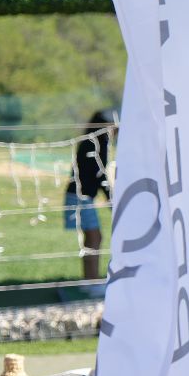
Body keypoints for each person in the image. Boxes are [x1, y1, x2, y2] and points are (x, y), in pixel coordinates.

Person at [64, 108, 115, 280]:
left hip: (79, 195)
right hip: (80, 197)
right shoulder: (97, 143)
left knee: (91, 239)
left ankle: (89, 281)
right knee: (95, 238)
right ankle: (92, 281)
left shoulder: (92, 141)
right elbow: (99, 174)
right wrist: (111, 200)